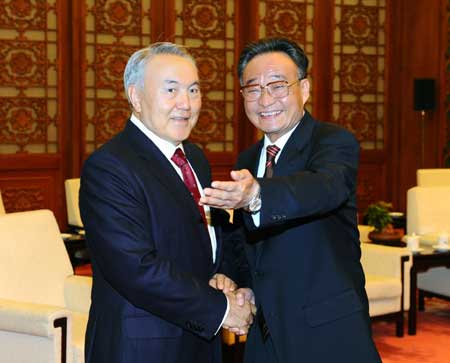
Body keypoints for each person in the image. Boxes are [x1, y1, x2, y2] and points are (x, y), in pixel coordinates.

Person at [200, 38, 381, 363]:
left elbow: (325, 187)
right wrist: (235, 280)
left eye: (278, 85)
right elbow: (249, 241)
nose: (265, 99)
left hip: (327, 332)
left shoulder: (332, 142)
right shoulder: (248, 158)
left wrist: (258, 195)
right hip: (265, 335)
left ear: (305, 89)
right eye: (253, 88)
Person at [79, 42, 254, 363]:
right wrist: (222, 309)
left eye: (193, 90)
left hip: (198, 338)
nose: (185, 103)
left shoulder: (195, 159)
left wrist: (228, 276)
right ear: (135, 97)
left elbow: (212, 235)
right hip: (143, 346)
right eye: (170, 90)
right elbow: (135, 267)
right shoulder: (110, 166)